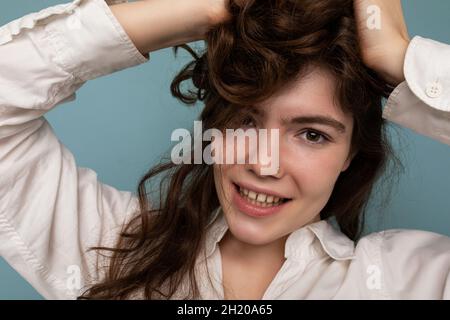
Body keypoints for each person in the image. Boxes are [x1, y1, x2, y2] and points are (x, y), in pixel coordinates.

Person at [0, 0, 448, 300]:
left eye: (312, 134)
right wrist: (201, 10)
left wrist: (397, 57)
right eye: (246, 120)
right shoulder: (110, 248)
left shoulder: (410, 280)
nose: (262, 163)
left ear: (350, 153)